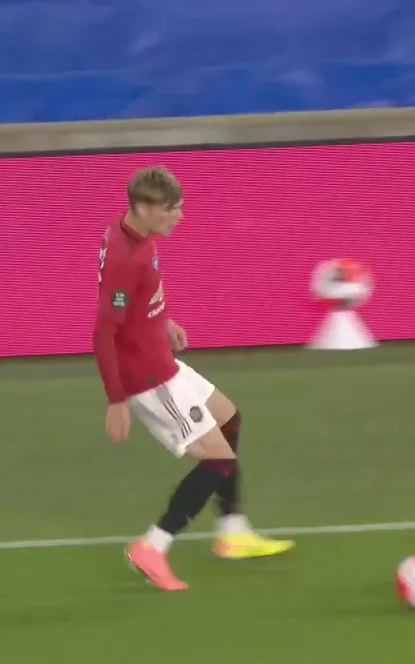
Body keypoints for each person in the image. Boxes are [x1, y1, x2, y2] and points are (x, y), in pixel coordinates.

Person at [93, 166, 294, 591]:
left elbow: (136, 300)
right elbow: (104, 332)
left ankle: (233, 531)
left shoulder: (136, 235)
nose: (179, 217)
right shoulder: (125, 258)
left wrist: (161, 321)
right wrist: (116, 399)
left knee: (229, 419)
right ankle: (153, 547)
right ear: (144, 208)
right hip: (150, 377)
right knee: (217, 458)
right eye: (171, 209)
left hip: (160, 357)